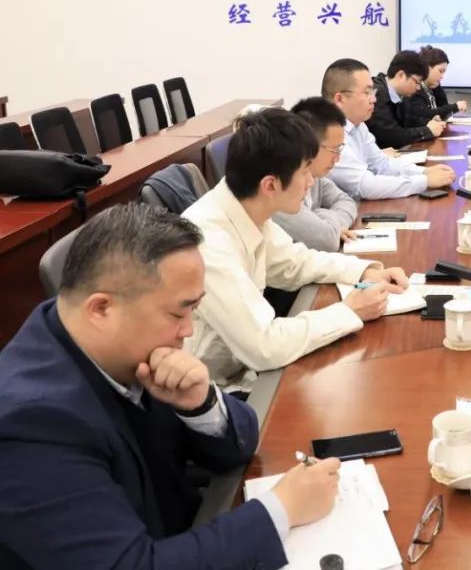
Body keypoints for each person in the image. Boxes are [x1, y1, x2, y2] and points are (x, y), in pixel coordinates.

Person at [0, 204, 341, 568]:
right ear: (101, 309)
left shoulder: (118, 344)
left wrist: (200, 403)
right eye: (178, 313)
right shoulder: (30, 426)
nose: (188, 330)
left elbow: (241, 442)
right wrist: (282, 509)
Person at [183, 107, 409, 394]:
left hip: (245, 372)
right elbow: (264, 347)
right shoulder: (208, 243)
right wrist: (349, 310)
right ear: (270, 185)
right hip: (214, 393)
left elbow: (295, 262)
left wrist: (365, 271)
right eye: (304, 172)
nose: (311, 182)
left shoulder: (246, 206)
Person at [323, 58, 456, 199]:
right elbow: (365, 186)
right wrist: (425, 181)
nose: (374, 99)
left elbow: (382, 165)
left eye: (372, 92)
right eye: (366, 93)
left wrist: (424, 172)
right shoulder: (328, 134)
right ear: (340, 99)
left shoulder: (358, 125)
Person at [272, 97, 358, 252]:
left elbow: (346, 201)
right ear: (309, 143)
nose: (338, 158)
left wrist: (324, 221)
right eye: (334, 150)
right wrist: (325, 222)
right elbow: (326, 241)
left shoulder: (315, 175)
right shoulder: (280, 186)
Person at [367, 50, 446, 148]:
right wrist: (428, 131)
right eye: (417, 82)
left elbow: (409, 121)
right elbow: (391, 136)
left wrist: (428, 122)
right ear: (401, 75)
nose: (418, 88)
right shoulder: (377, 95)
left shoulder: (400, 94)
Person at [405, 45, 467, 122]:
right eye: (440, 71)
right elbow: (424, 113)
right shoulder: (415, 87)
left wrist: (456, 107)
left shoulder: (434, 87)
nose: (442, 76)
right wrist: (454, 107)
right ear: (427, 68)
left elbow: (443, 110)